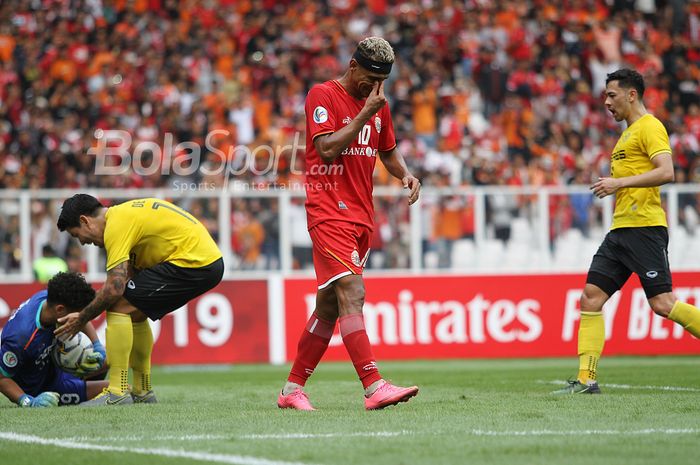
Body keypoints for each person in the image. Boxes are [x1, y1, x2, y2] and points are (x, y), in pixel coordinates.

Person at [277, 37, 421, 411]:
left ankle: (292, 390)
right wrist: (364, 113)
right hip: (328, 211)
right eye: (369, 78)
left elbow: (387, 151)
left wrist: (405, 174)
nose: (374, 88)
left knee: (328, 306)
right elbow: (326, 148)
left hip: (361, 215)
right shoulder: (322, 96)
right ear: (353, 65)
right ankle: (374, 386)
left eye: (382, 81)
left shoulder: (378, 104)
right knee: (353, 293)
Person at [554, 68, 700, 394]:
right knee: (590, 298)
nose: (606, 102)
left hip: (645, 228)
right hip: (620, 230)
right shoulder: (627, 134)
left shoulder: (650, 127)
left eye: (611, 95)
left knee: (662, 303)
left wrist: (619, 182)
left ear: (631, 94)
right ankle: (586, 380)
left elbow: (667, 171)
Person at [55, 195, 224, 406]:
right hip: (203, 260)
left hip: (194, 262)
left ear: (85, 221)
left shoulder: (116, 226)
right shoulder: (124, 217)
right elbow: (126, 280)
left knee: (118, 305)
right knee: (135, 309)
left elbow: (115, 289)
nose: (82, 241)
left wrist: (82, 318)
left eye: (76, 234)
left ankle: (116, 392)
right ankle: (142, 391)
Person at [0, 272, 107, 407]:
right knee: (120, 389)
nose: (80, 320)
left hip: (55, 368)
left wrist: (97, 345)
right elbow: (2, 377)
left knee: (111, 359)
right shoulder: (20, 338)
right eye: (79, 314)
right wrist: (27, 401)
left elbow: (79, 318)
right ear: (60, 310)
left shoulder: (47, 298)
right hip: (46, 389)